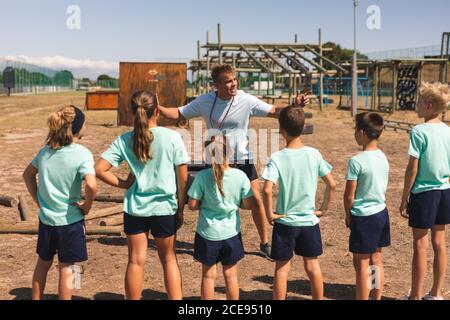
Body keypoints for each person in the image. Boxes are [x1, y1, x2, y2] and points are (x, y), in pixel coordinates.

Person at [158, 64, 310, 259]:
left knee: (256, 200)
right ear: (217, 85)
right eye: (228, 81)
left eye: (234, 79)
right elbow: (179, 113)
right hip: (216, 160)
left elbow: (274, 111)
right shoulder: (205, 101)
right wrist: (158, 108)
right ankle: (210, 239)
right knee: (213, 202)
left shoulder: (245, 99)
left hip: (243, 159)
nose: (233, 84)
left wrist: (294, 104)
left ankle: (265, 243)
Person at [95, 91, 189, 300]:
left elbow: (99, 169)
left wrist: (125, 184)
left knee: (135, 261)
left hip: (135, 208)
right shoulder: (173, 137)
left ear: (132, 112)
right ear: (157, 110)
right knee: (169, 260)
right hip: (165, 208)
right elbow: (183, 178)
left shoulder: (125, 139)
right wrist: (180, 208)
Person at [23, 106, 97, 300]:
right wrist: (87, 206)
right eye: (84, 122)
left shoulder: (45, 152)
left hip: (46, 220)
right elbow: (91, 184)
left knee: (43, 263)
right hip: (70, 222)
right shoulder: (82, 153)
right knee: (69, 268)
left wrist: (39, 202)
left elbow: (27, 175)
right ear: (77, 128)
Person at [261, 107, 336, 300]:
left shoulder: (277, 157)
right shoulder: (314, 154)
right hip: (309, 222)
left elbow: (267, 189)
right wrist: (323, 209)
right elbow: (332, 184)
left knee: (282, 269)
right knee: (312, 266)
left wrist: (270, 214)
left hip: (285, 222)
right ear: (303, 127)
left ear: (281, 129)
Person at [399, 82, 450, 300]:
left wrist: (404, 197)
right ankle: (436, 293)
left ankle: (415, 296)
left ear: (428, 106)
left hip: (424, 194)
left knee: (420, 245)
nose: (416, 105)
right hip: (445, 192)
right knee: (440, 244)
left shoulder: (419, 131)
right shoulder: (448, 131)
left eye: (419, 102)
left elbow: (413, 167)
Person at [187, 135, 254, 300]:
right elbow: (248, 204)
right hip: (231, 234)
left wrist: (205, 205)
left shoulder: (202, 177)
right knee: (231, 276)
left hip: (207, 233)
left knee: (208, 276)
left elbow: (192, 205)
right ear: (230, 152)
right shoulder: (240, 176)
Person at [344, 112, 390, 300]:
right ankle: (376, 296)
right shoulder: (383, 157)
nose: (354, 133)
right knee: (376, 259)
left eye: (355, 129)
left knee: (361, 263)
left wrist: (348, 214)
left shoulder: (356, 161)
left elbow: (349, 195)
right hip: (381, 213)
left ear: (361, 132)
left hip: (363, 217)